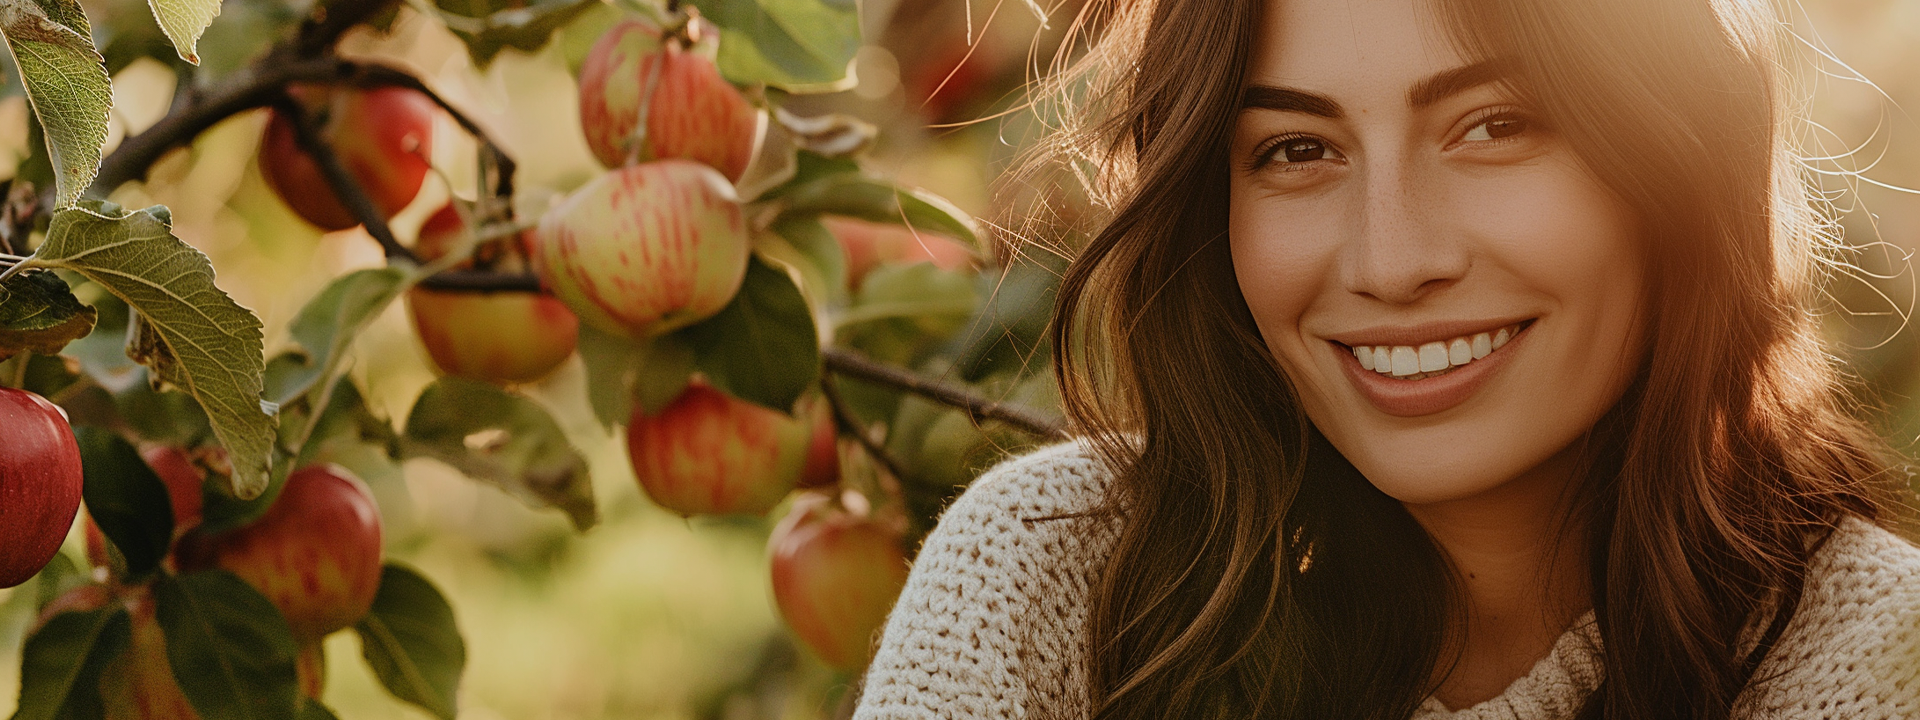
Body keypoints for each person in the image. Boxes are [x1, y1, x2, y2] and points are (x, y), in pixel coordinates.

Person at [853, 0, 1920, 718]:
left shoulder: (1874, 664)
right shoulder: (1057, 586)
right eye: (1296, 150)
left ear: (1677, 159)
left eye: (1494, 126)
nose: (1392, 260)